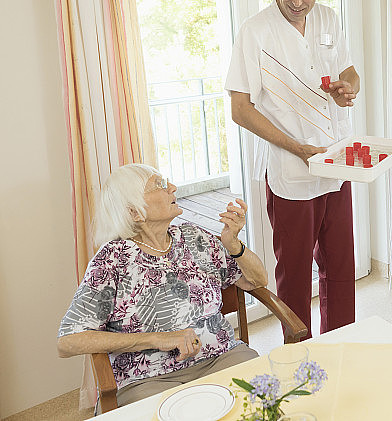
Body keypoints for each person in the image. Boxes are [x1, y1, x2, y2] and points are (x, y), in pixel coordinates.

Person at [226, 0, 359, 341]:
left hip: (336, 161)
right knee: (294, 276)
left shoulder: (329, 19)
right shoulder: (256, 31)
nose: (298, 2)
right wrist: (297, 148)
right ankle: (298, 357)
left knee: (340, 267)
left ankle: (342, 345)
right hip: (290, 170)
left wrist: (347, 89)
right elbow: (240, 108)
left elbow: (349, 70)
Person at [57, 164, 269, 406]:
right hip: (148, 381)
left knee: (268, 400)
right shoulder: (112, 259)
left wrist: (234, 245)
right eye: (159, 185)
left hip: (220, 358)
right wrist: (158, 338)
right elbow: (68, 341)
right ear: (134, 212)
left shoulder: (193, 237)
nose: (173, 187)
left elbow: (257, 280)